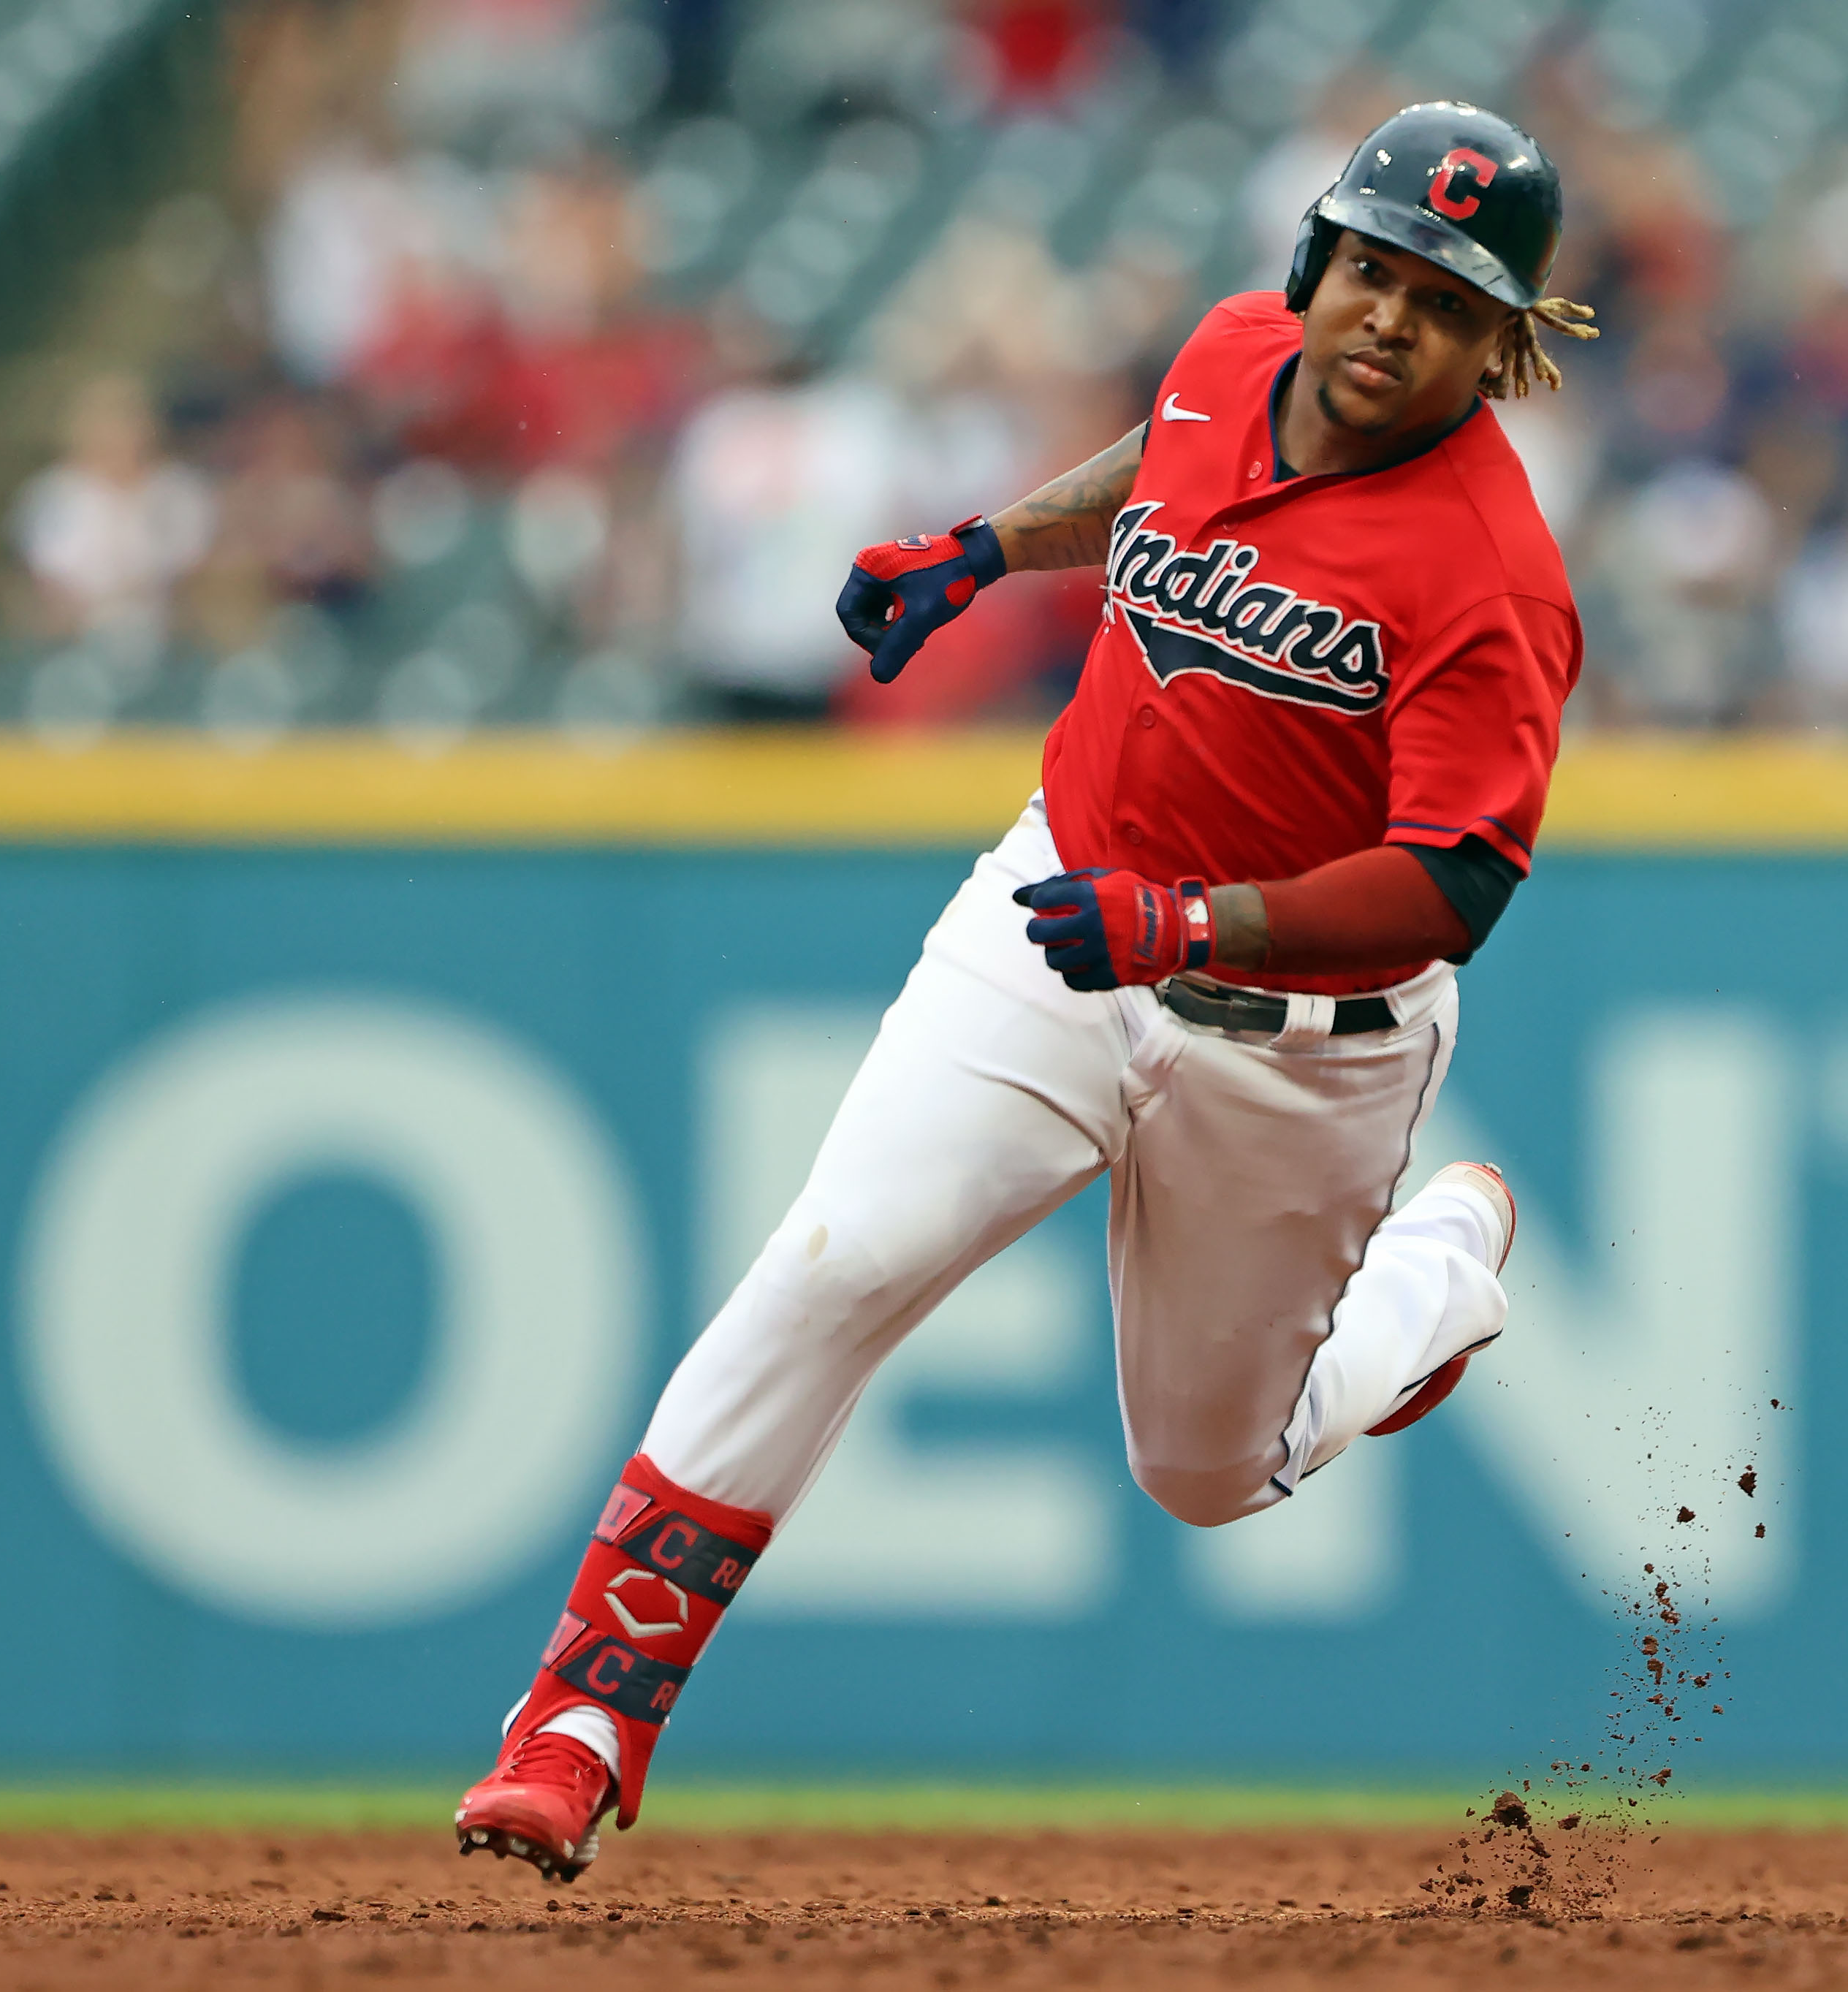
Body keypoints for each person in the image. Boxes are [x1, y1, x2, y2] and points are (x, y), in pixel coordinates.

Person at [452, 100, 1597, 1879]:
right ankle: (583, 1718)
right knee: (836, 1259)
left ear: (1497, 347)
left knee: (1207, 1474)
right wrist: (983, 548)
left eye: (1443, 302)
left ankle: (1428, 1282)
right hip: (1060, 910)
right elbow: (1168, 456)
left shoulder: (1490, 573)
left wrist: (1195, 925)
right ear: (1314, 265)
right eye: (1371, 269)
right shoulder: (1235, 350)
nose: (1389, 319)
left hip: (1298, 1038)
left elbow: (1454, 887)